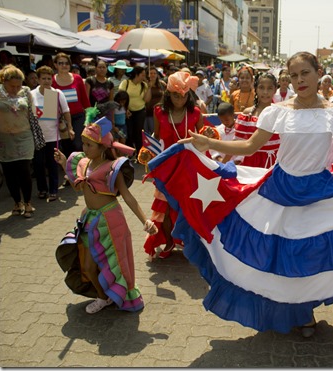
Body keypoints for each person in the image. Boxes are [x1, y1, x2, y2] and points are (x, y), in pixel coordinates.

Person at [145, 51, 333, 337]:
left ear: (319, 73)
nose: (300, 80)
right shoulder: (278, 112)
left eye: (305, 73)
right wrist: (208, 144)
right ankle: (291, 309)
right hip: (278, 190)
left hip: (319, 192)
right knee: (279, 256)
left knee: (311, 255)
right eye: (293, 76)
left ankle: (306, 308)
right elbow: (249, 147)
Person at [54, 114, 157, 314]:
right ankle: (103, 297)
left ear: (103, 147)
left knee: (115, 261)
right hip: (90, 219)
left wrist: (145, 220)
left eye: (89, 145)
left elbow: (127, 197)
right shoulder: (82, 163)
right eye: (83, 143)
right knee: (88, 265)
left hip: (111, 221)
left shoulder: (112, 168)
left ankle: (114, 296)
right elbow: (78, 189)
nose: (84, 148)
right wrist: (64, 163)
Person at [142, 71, 205, 260]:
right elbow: (156, 136)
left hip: (188, 168)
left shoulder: (195, 113)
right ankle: (169, 242)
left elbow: (203, 139)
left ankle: (189, 242)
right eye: (176, 95)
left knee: (188, 207)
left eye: (184, 95)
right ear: (168, 94)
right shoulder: (159, 111)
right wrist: (146, 151)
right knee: (167, 209)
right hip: (166, 168)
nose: (180, 99)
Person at [30, 66, 73, 202]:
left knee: (52, 163)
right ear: (38, 79)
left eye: (49, 78)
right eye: (44, 78)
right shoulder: (31, 94)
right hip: (37, 136)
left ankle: (53, 190)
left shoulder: (56, 93)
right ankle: (42, 189)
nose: (47, 81)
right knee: (38, 163)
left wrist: (70, 128)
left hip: (53, 135)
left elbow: (66, 111)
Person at [0, 65, 37, 217]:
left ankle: (27, 202)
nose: (15, 89)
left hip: (24, 137)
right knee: (9, 173)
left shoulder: (26, 92)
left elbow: (33, 114)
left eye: (18, 85)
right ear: (3, 81)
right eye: (11, 86)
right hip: (3, 139)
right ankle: (17, 202)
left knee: (24, 171)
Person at [233, 73, 280, 168]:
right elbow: (238, 143)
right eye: (261, 88)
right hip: (250, 164)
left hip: (275, 164)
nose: (265, 92)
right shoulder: (247, 115)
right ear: (255, 89)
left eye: (269, 88)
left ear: (275, 90)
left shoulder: (281, 113)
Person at [52, 53, 91, 155]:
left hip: (78, 116)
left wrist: (90, 117)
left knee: (78, 144)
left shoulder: (77, 78)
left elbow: (85, 100)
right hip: (61, 119)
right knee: (66, 145)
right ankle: (69, 167)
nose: (64, 66)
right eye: (61, 63)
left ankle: (80, 165)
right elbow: (49, 106)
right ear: (55, 65)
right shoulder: (51, 80)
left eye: (66, 63)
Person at [118, 66, 151, 156]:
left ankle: (140, 153)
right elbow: (120, 96)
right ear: (137, 74)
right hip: (128, 111)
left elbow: (146, 100)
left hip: (140, 111)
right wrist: (126, 109)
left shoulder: (144, 85)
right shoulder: (126, 83)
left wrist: (149, 88)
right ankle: (130, 152)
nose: (144, 77)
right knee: (129, 132)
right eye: (142, 75)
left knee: (138, 133)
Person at [144, 66, 166, 134]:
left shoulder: (162, 84)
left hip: (160, 112)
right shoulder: (144, 84)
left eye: (154, 73)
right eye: (151, 73)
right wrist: (149, 87)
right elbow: (146, 100)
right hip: (149, 113)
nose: (153, 75)